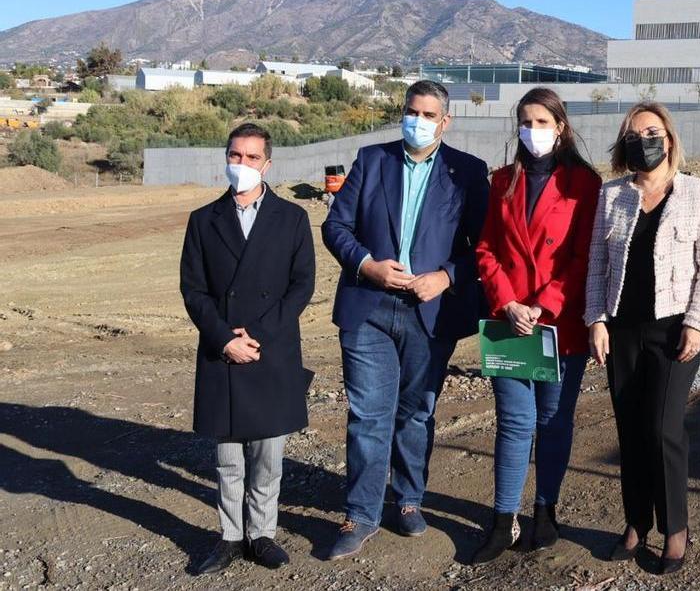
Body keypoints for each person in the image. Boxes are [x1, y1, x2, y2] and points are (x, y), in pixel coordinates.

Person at [321, 80, 489, 559]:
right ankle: (361, 513)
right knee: (368, 414)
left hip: (429, 312)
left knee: (416, 412)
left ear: (445, 121)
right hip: (368, 307)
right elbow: (336, 226)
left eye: (429, 114)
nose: (418, 120)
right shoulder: (373, 160)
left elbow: (483, 247)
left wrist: (446, 277)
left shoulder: (468, 172)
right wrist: (366, 264)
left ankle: (409, 500)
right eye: (412, 111)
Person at [584, 101, 700, 575]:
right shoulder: (611, 196)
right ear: (624, 143)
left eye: (652, 132)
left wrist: (698, 322)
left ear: (668, 138)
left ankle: (676, 529)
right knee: (630, 428)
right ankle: (635, 522)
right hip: (621, 328)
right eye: (633, 134)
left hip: (674, 330)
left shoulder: (699, 194)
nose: (643, 140)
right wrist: (595, 319)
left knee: (663, 429)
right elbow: (597, 265)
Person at [471, 88, 601, 563]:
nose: (532, 130)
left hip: (558, 328)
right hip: (508, 326)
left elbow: (586, 256)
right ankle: (503, 518)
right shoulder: (501, 180)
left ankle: (546, 510)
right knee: (513, 423)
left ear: (560, 127)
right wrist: (506, 301)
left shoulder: (585, 185)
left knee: (553, 420)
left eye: (542, 121)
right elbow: (485, 248)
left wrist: (542, 306)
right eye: (525, 122)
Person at [180, 122, 316, 574]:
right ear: (226, 159)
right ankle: (230, 537)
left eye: (252, 157)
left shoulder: (292, 218)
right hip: (222, 350)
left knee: (268, 456)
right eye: (235, 156)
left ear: (268, 164)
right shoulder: (203, 220)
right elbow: (193, 290)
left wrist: (258, 336)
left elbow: (301, 286)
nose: (242, 164)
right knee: (227, 457)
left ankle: (262, 534)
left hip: (270, 349)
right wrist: (224, 339)